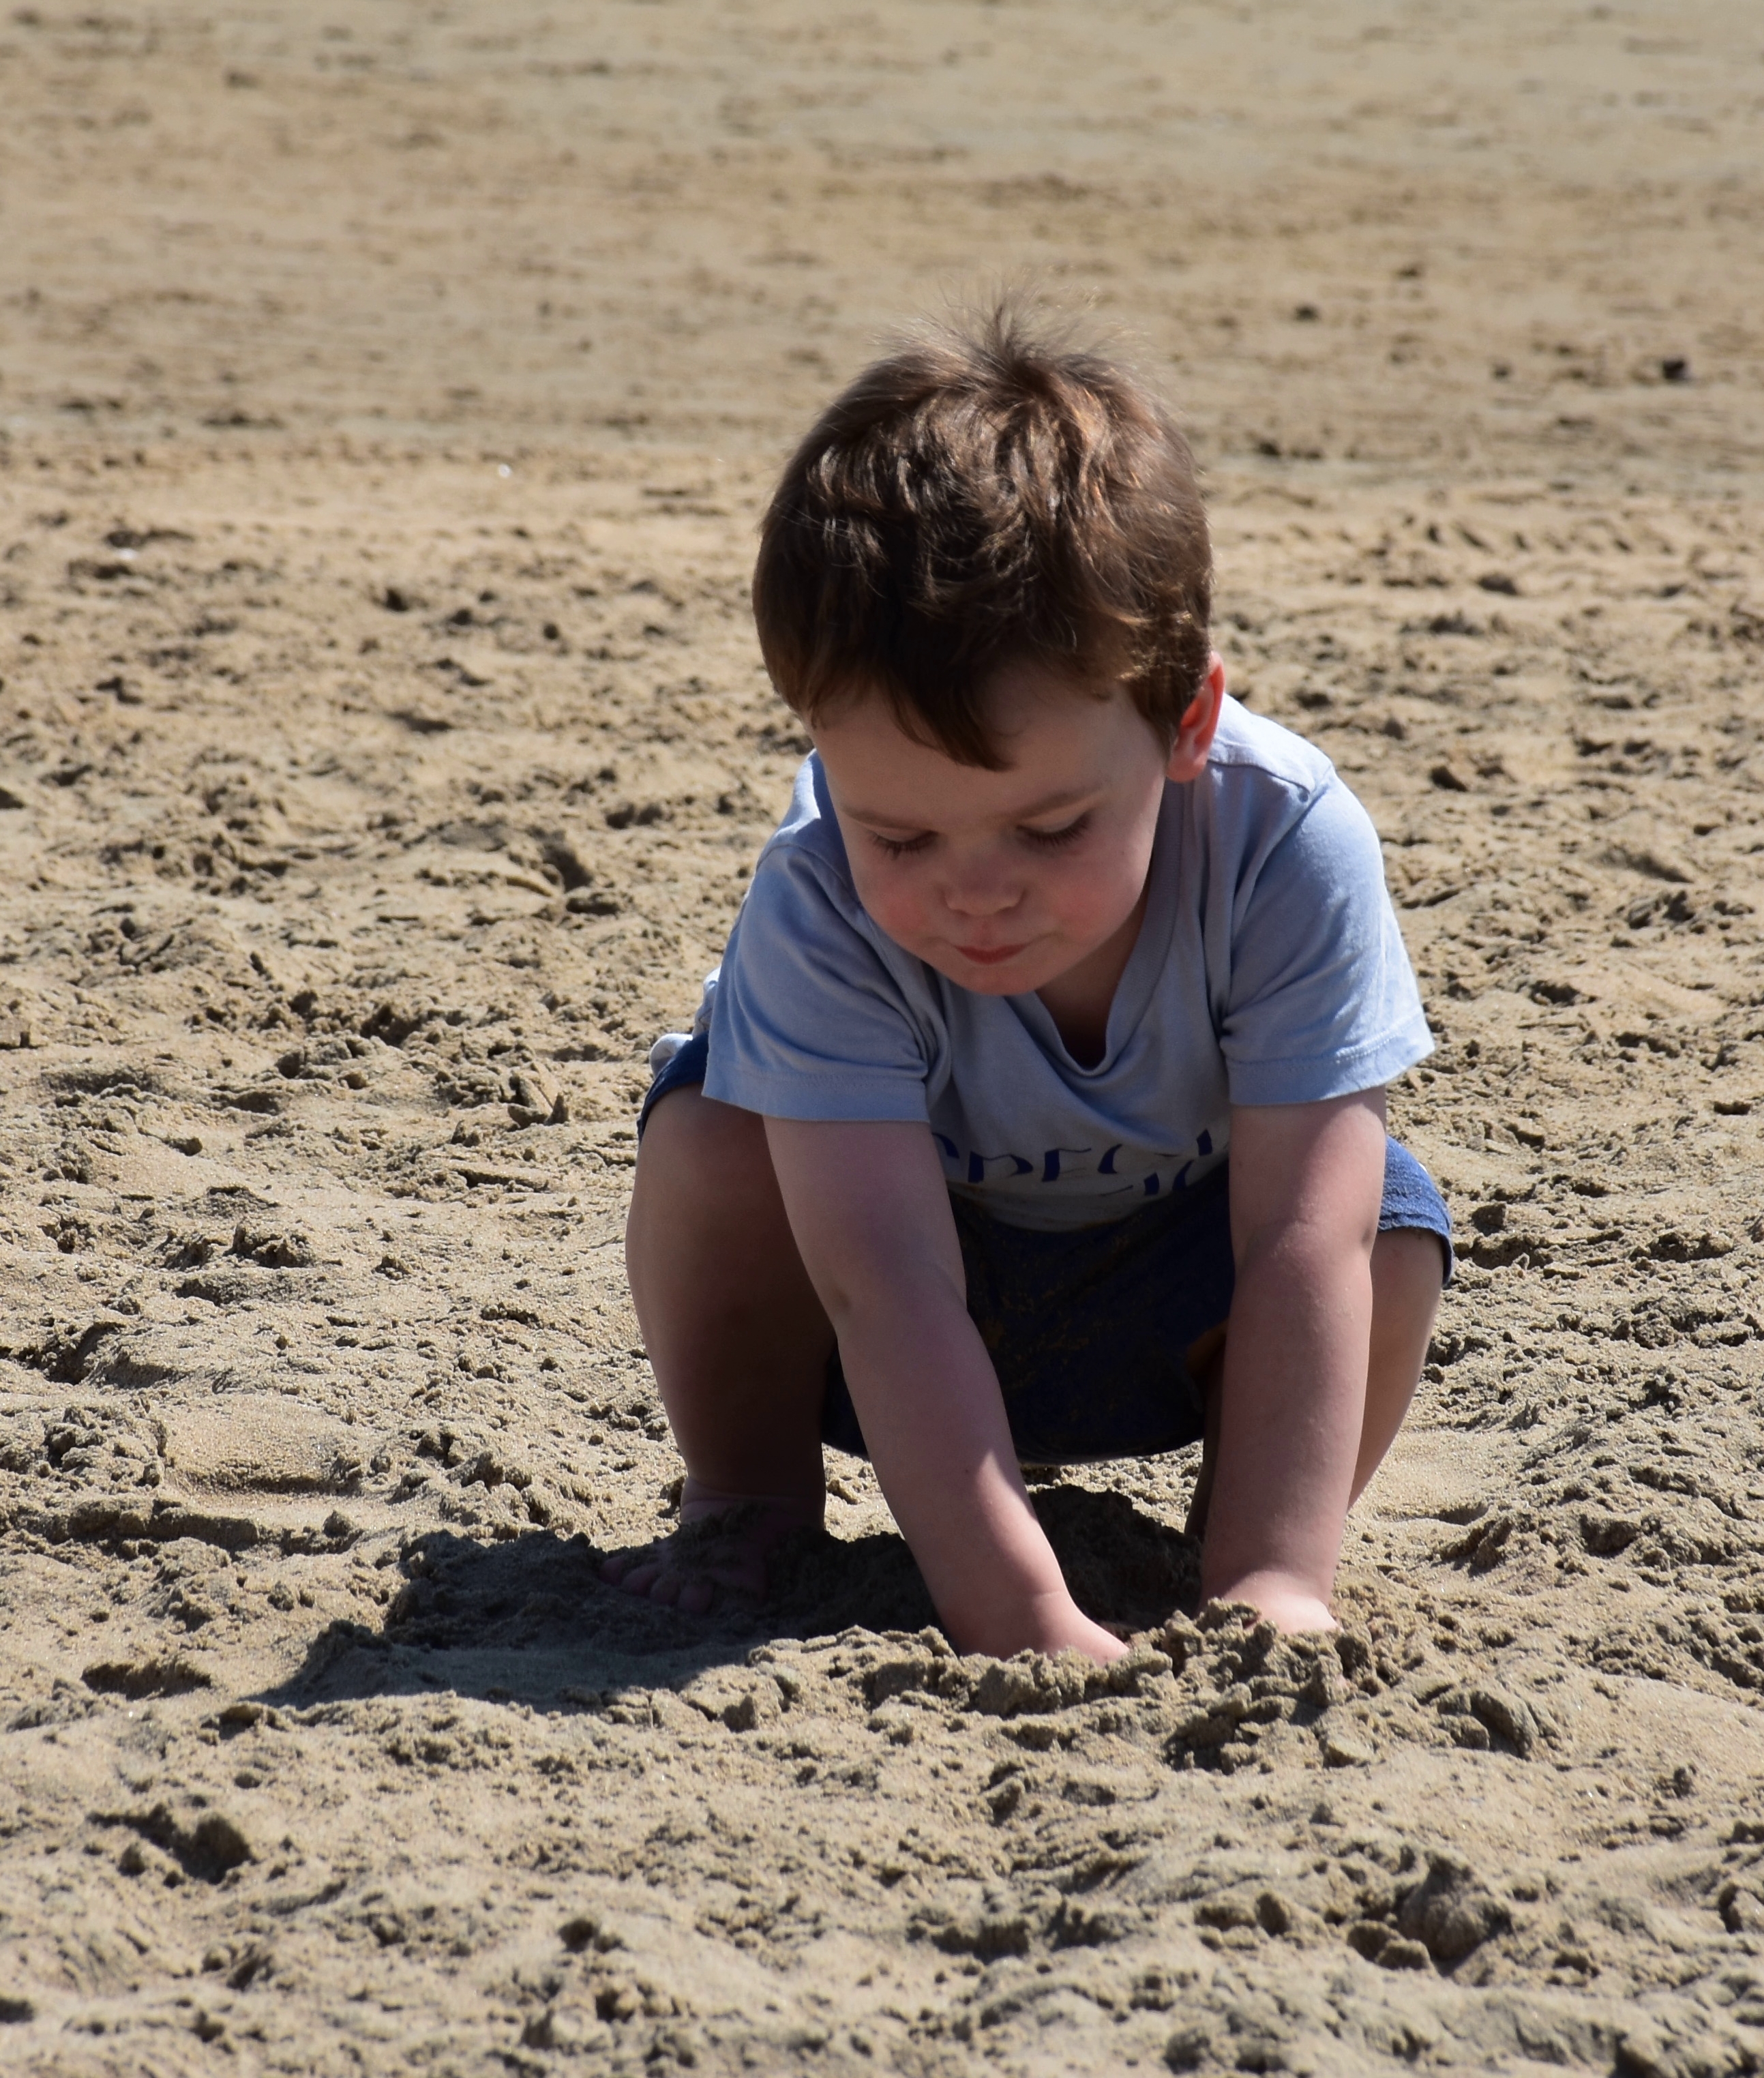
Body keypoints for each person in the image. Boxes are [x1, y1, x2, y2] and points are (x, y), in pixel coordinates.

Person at [602, 305, 1450, 1665]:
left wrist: (1274, 1583)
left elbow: (1301, 1237)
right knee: (708, 1129)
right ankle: (745, 1500)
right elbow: (884, 1282)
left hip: (1181, 1304)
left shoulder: (1285, 838)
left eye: (1049, 829)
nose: (972, 889)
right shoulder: (817, 890)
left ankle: (1244, 1545)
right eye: (902, 834)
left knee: (1385, 1225)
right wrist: (1021, 1618)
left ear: (1187, 724)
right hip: (880, 1324)